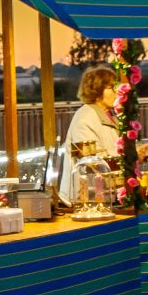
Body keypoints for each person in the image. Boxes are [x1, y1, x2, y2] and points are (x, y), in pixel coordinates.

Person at [55, 66, 122, 203]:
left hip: (104, 197)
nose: (116, 92)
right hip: (85, 201)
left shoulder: (109, 116)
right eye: (110, 88)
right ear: (96, 91)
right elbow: (90, 163)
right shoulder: (85, 117)